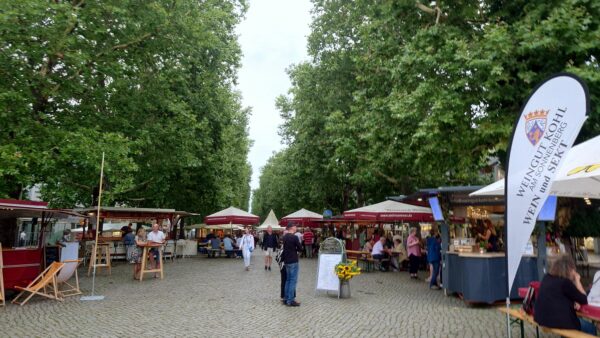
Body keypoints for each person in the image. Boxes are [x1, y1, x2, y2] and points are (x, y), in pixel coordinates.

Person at [534, 254, 596, 334]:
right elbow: (584, 299)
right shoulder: (565, 282)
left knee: (572, 321)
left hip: (542, 319)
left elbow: (558, 297)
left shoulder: (547, 278)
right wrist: (577, 280)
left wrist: (572, 302)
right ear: (570, 269)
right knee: (591, 328)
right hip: (559, 322)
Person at [282, 223, 302, 306]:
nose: (296, 227)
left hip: (287, 261)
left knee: (288, 280)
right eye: (295, 226)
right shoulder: (294, 237)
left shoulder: (285, 237)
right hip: (293, 260)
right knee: (293, 281)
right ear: (292, 228)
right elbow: (300, 248)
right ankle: (290, 300)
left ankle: (286, 298)